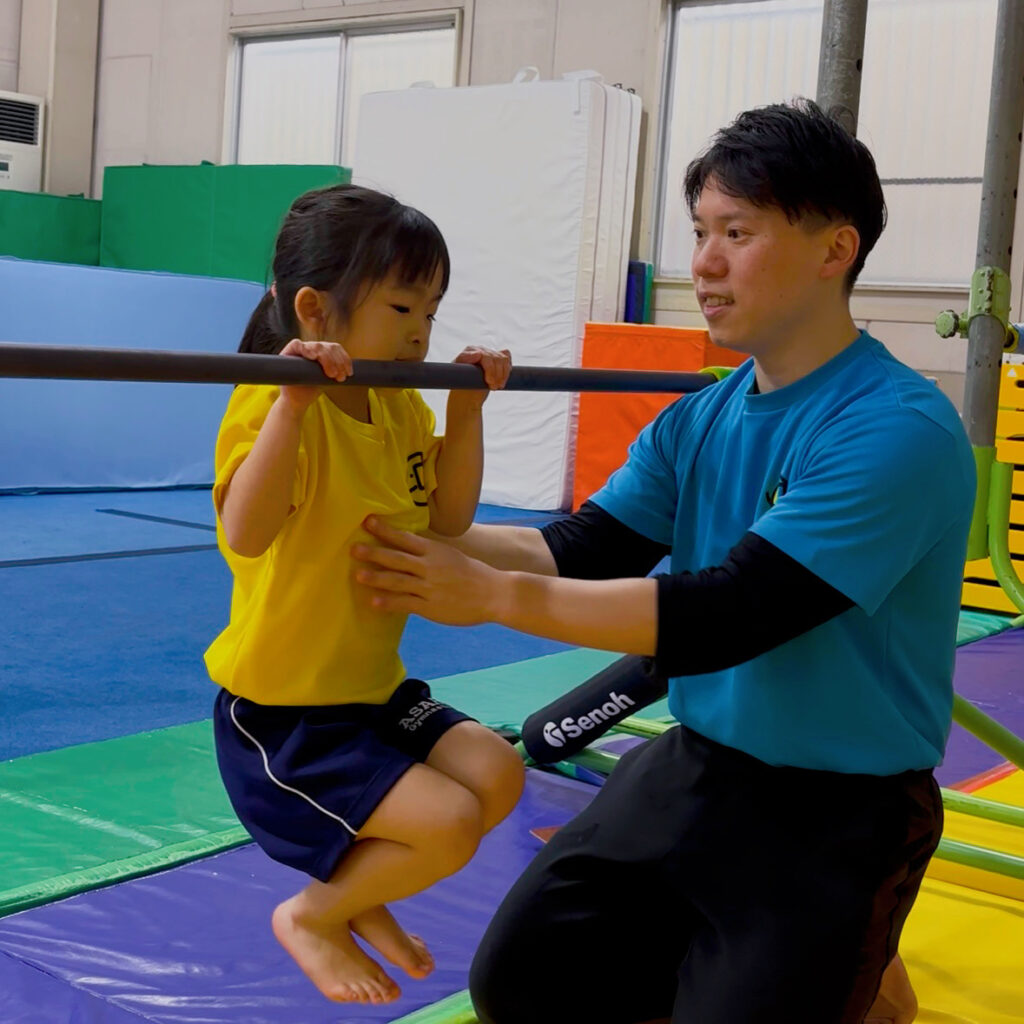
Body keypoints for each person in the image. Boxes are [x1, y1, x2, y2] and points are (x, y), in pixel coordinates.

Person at [352, 99, 975, 1023]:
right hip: (701, 762)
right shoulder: (701, 417)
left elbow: (732, 613)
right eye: (699, 232)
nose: (705, 263)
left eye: (738, 232)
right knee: (521, 984)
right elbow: (577, 549)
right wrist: (389, 525)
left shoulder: (896, 429)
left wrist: (488, 594)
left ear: (835, 249)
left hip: (841, 804)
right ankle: (838, 969)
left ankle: (861, 966)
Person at [204, 184, 523, 1007]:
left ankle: (354, 896)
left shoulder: (400, 403)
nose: (421, 331)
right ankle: (314, 916)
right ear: (315, 309)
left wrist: (466, 411)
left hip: (372, 693)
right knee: (447, 823)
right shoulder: (269, 401)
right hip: (285, 713)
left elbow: (448, 520)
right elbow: (246, 532)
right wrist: (293, 406)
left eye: (432, 311)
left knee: (497, 772)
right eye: (403, 307)